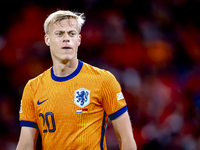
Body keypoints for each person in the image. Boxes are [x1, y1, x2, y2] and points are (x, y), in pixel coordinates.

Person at [16, 10, 137, 150]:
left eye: (71, 33)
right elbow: (25, 145)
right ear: (47, 39)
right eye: (59, 33)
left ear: (78, 40)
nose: (66, 38)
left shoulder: (103, 80)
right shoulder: (32, 88)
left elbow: (126, 138)